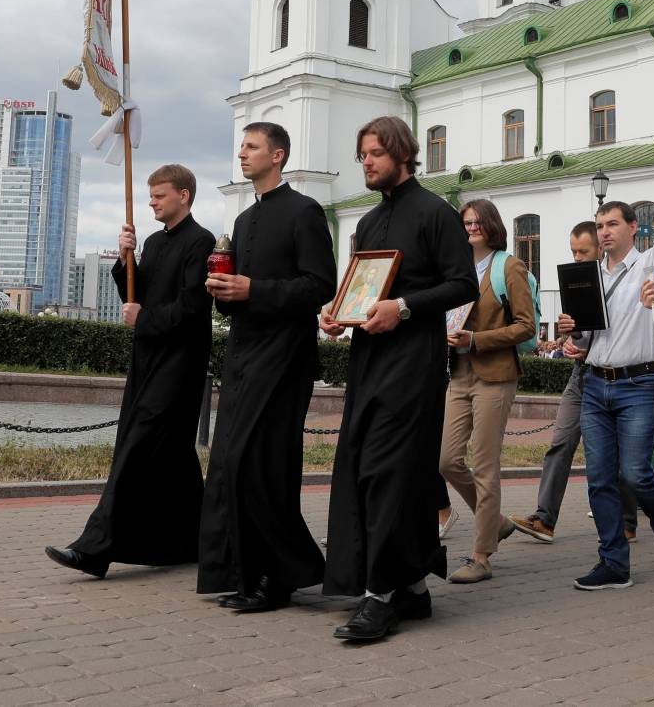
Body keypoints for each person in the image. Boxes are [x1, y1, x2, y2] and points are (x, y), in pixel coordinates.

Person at [318, 116, 478, 642]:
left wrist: (404, 308)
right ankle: (412, 588)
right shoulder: (367, 224)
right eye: (361, 154)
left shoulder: (436, 212)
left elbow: (461, 284)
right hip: (368, 362)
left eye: (375, 154)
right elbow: (360, 290)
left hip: (413, 365)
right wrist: (337, 313)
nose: (366, 162)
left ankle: (379, 595)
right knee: (372, 469)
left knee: (388, 473)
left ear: (402, 154)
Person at [45, 165, 215, 579]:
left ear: (184, 196)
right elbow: (135, 294)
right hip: (147, 359)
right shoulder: (155, 243)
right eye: (150, 196)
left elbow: (194, 309)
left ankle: (94, 549)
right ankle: (200, 540)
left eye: (159, 195)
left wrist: (145, 318)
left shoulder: (201, 241)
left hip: (180, 364)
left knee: (136, 449)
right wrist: (126, 259)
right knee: (174, 454)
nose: (152, 202)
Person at [195, 124, 336, 612]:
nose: (242, 153)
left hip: (285, 357)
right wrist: (226, 293)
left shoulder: (305, 211)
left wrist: (254, 289)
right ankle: (245, 569)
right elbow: (241, 292)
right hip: (242, 353)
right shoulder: (245, 217)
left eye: (251, 147)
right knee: (231, 463)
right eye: (241, 146)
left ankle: (280, 577)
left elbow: (319, 285)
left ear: (277, 155)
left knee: (265, 465)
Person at [563, 128, 654, 592]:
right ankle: (614, 563)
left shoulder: (652, 264)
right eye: (599, 227)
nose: (603, 232)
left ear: (632, 228)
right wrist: (571, 337)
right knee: (599, 478)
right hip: (596, 383)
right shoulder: (586, 275)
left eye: (611, 224)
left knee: (635, 472)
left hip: (640, 383)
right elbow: (586, 334)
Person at [439, 199, 535, 584]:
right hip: (458, 372)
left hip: (495, 374)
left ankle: (481, 555)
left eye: (478, 222)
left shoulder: (508, 266)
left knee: (484, 464)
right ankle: (494, 521)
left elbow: (527, 326)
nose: (471, 228)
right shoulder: (455, 268)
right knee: (446, 460)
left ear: (492, 225)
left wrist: (477, 338)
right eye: (466, 222)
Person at [510, 222, 601, 543]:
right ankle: (544, 519)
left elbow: (620, 338)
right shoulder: (575, 281)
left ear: (600, 249)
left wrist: (586, 346)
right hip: (580, 376)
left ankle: (627, 520)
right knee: (559, 444)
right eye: (573, 251)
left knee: (611, 456)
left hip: (609, 378)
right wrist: (570, 338)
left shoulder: (619, 280)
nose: (576, 258)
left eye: (583, 251)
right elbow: (579, 332)